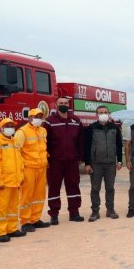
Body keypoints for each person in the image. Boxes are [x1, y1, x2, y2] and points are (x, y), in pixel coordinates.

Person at [44, 96, 85, 224]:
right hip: (55, 161)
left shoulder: (76, 121)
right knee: (54, 187)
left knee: (73, 186)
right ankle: (54, 215)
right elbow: (46, 142)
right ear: (56, 105)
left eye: (66, 103)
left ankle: (74, 213)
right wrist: (48, 158)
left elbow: (81, 141)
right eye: (61, 103)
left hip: (72, 160)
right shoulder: (50, 121)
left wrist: (80, 157)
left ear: (69, 105)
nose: (63, 104)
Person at [84, 105, 123, 221]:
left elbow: (118, 145)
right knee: (95, 188)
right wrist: (87, 163)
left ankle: (110, 210)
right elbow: (87, 146)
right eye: (100, 113)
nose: (103, 114)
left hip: (111, 163)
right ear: (96, 115)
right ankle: (95, 212)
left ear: (109, 113)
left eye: (105, 112)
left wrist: (120, 161)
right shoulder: (91, 128)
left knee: (110, 188)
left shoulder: (115, 128)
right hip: (96, 163)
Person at [0, 118, 26, 243]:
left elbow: (19, 161)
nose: (10, 127)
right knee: (1, 208)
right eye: (7, 126)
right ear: (1, 128)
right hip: (3, 183)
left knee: (12, 207)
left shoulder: (15, 142)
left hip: (14, 181)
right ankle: (0, 232)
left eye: (12, 125)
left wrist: (21, 177)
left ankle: (12, 229)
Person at [15, 108, 51, 232]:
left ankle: (35, 218)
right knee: (26, 195)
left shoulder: (43, 131)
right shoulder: (22, 132)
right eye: (36, 117)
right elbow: (16, 152)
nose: (38, 119)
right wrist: (20, 169)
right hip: (28, 168)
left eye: (40, 117)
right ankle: (25, 221)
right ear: (29, 118)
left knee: (39, 195)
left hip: (41, 167)